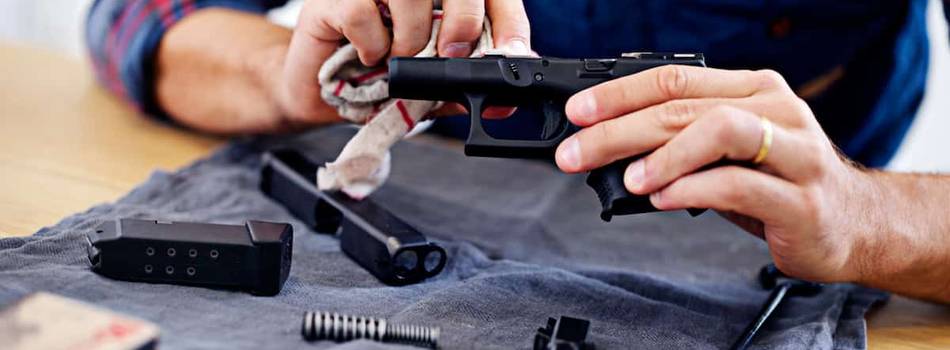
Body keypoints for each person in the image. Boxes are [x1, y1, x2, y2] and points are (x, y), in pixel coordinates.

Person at [87, 0, 950, 303]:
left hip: (776, 242)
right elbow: (131, 14)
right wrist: (293, 77)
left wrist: (865, 217)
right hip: (428, 189)